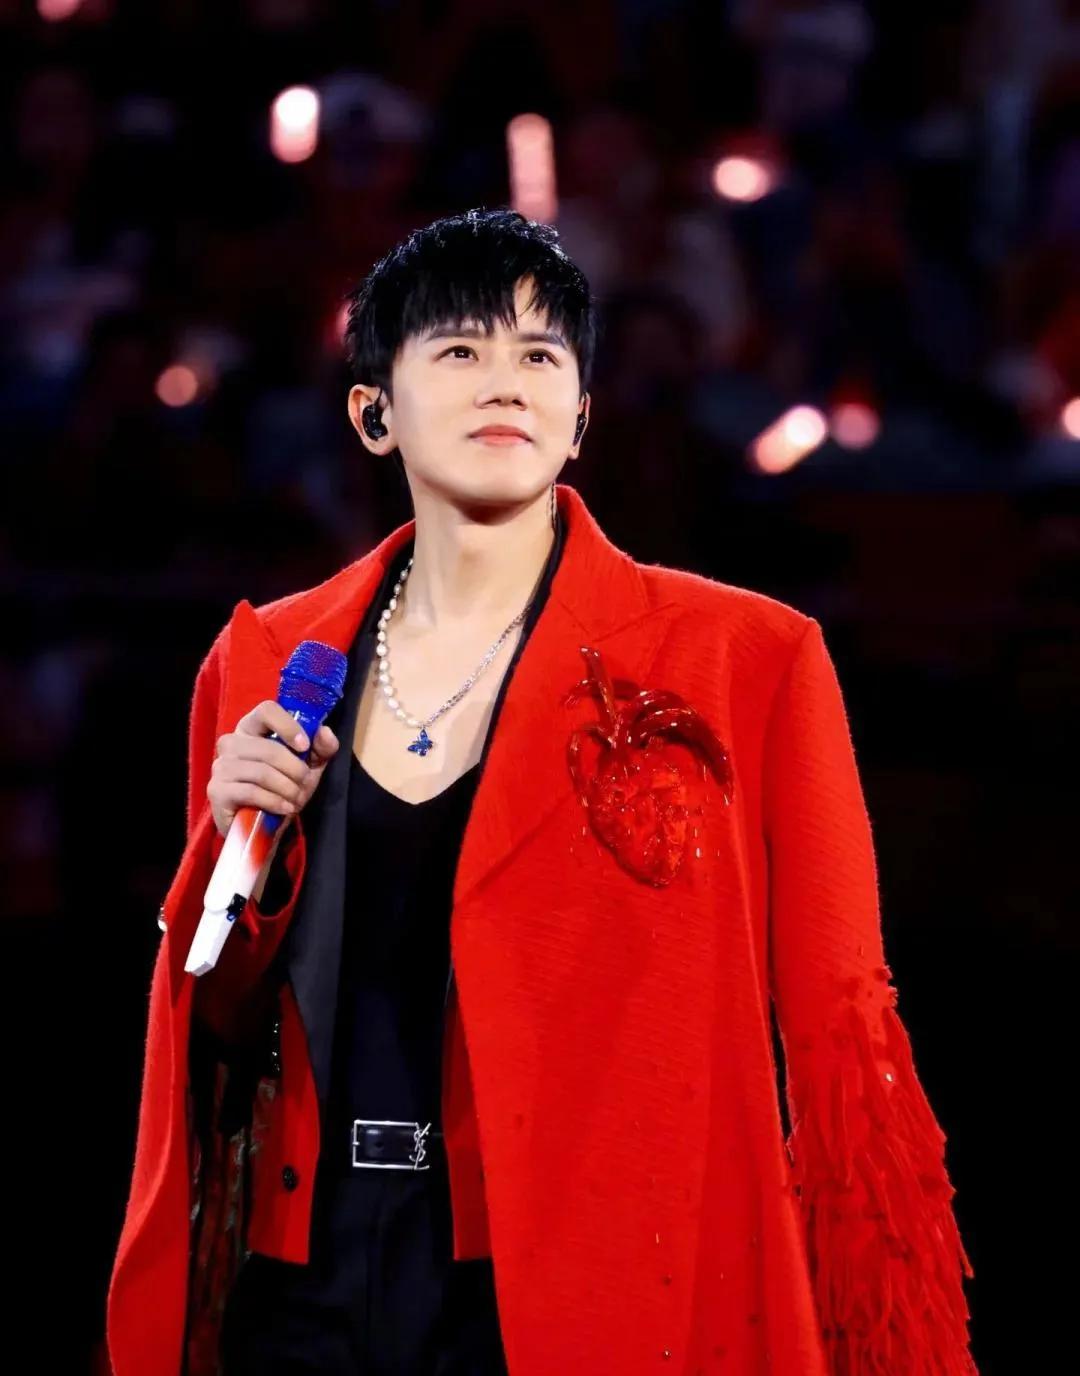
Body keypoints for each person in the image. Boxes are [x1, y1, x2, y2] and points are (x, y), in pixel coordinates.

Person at [106, 208, 976, 1375]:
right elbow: (215, 1022)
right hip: (310, 1281)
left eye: (539, 353)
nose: (504, 380)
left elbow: (841, 1029)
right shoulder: (268, 655)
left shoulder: (744, 657)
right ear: (374, 412)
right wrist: (235, 864)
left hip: (594, 1276)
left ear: (580, 417)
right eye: (461, 349)